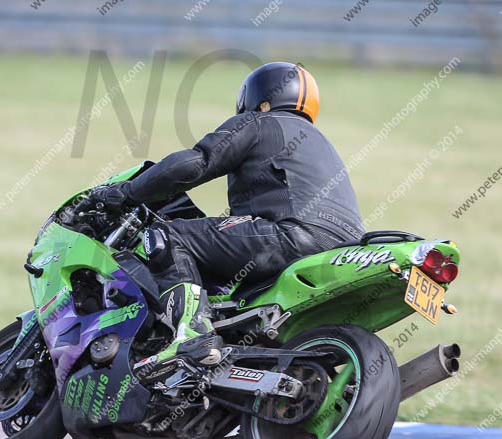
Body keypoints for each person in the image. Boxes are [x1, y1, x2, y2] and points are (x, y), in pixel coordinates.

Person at [88, 62, 364, 369]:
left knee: (169, 235)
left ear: (259, 99)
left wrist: (127, 192)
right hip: (342, 250)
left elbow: (195, 164)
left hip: (288, 235)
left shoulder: (260, 122)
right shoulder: (323, 145)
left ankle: (193, 334)